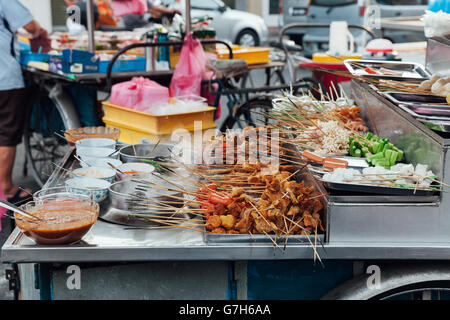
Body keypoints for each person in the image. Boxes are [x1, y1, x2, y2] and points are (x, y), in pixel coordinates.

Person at [0, 0, 49, 203]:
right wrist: (39, 31)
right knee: (6, 133)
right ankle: (6, 188)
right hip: (4, 78)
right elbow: (30, 25)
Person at [112, 0, 182, 30]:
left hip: (134, 22)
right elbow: (152, 8)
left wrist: (159, 13)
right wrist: (169, 11)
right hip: (130, 23)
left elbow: (150, 8)